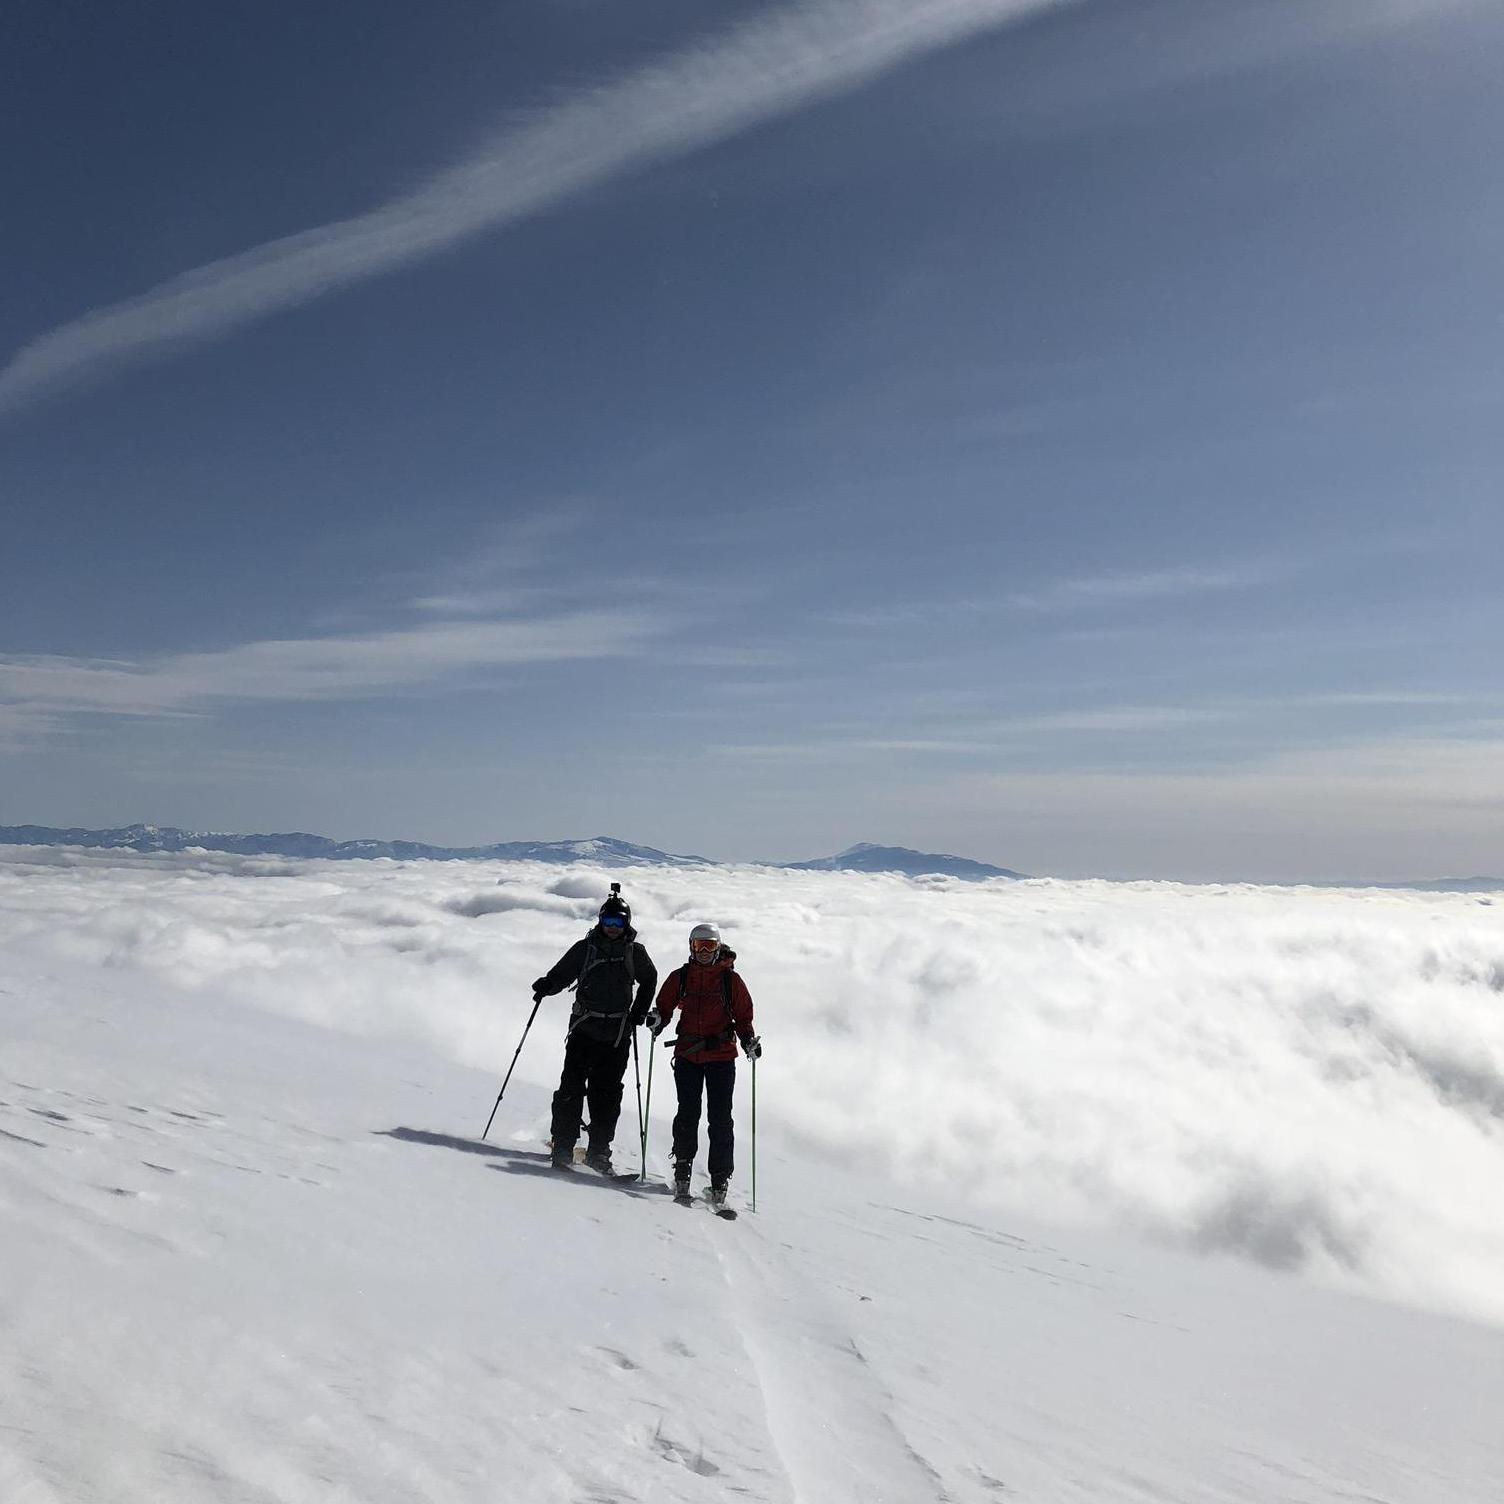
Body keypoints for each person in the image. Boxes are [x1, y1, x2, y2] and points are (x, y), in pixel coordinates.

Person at [532, 884, 657, 1172]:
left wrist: (638, 1013)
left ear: (626, 923)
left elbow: (649, 980)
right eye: (608, 921)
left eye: (618, 922)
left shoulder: (634, 952)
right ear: (600, 921)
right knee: (571, 1089)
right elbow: (561, 974)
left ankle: (598, 1150)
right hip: (585, 1030)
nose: (612, 927)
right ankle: (563, 1144)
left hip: (616, 1034)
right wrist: (547, 986)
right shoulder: (585, 948)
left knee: (607, 1093)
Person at [646, 922, 760, 1207]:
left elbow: (744, 1017)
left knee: (720, 1119)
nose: (705, 951)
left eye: (710, 945)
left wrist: (749, 1041)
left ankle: (719, 1181)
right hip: (688, 1056)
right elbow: (664, 1006)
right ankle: (682, 1170)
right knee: (687, 1114)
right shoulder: (681, 977)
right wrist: (658, 1020)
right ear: (691, 947)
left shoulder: (730, 981)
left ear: (718, 946)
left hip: (721, 1058)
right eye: (700, 946)